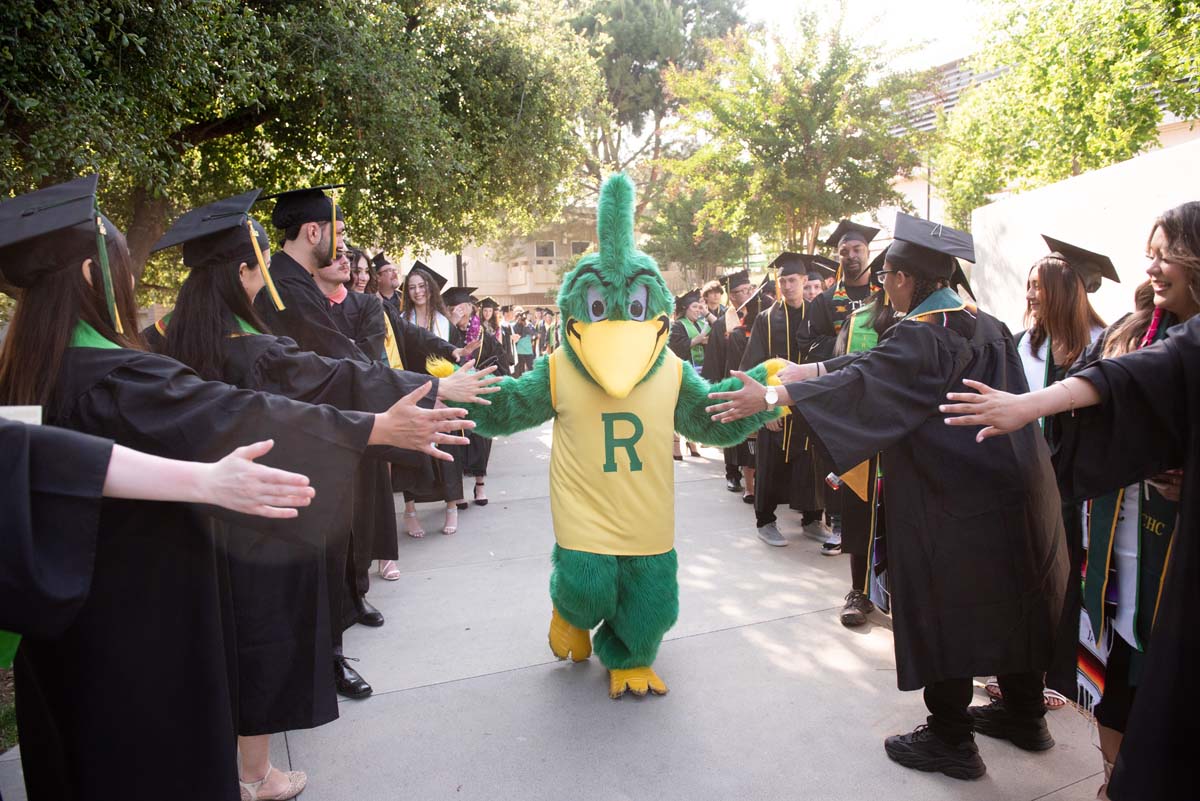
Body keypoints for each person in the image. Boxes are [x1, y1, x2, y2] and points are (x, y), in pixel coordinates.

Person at [0, 176, 470, 801]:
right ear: (92, 276)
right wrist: (376, 426)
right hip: (139, 632)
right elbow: (236, 413)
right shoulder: (117, 379)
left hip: (59, 636)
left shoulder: (26, 380)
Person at [709, 213, 1068, 782]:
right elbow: (875, 365)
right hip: (1014, 488)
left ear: (904, 279)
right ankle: (1026, 715)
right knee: (1009, 596)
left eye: (887, 278)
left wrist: (775, 394)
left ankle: (951, 739)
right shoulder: (983, 322)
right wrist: (812, 369)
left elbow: (874, 378)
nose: (883, 288)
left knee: (948, 602)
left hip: (953, 497)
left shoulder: (923, 332)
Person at [939, 201, 1200, 801]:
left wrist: (1027, 408)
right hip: (1121, 532)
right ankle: (1112, 783)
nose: (1153, 267)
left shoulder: (1136, 341)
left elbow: (1121, 386)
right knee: (1120, 675)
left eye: (1166, 255)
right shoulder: (1135, 331)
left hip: (1165, 545)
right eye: (1150, 255)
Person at [1007, 238, 1114, 711]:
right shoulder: (1025, 343)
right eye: (1028, 285)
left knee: (1066, 577)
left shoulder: (1102, 345)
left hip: (1076, 487)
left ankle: (1057, 675)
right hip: (1026, 477)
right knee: (1024, 575)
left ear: (1065, 290)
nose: (1030, 295)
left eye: (1039, 286)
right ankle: (1022, 672)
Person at [823, 249, 902, 630]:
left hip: (913, 440)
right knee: (860, 512)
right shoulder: (861, 319)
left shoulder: (937, 322)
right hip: (867, 433)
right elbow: (846, 373)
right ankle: (858, 590)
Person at [740, 253, 830, 547]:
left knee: (811, 465)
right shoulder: (766, 320)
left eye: (793, 280)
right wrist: (769, 408)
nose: (788, 286)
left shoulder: (817, 317)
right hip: (775, 408)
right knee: (771, 463)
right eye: (783, 281)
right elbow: (754, 368)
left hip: (808, 406)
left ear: (805, 281)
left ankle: (812, 519)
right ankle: (765, 521)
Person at [703, 269, 756, 492]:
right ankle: (732, 473)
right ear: (731, 296)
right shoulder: (722, 323)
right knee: (732, 432)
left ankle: (753, 476)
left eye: (747, 290)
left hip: (754, 382)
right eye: (737, 292)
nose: (743, 295)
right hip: (730, 383)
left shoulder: (759, 316)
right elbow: (714, 359)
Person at [669, 289, 709, 459]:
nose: (698, 310)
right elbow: (675, 348)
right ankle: (675, 443)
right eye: (695, 306)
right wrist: (697, 340)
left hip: (699, 373)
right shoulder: (678, 325)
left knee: (694, 407)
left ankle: (691, 440)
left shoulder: (701, 325)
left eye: (700, 307)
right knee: (678, 407)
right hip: (682, 373)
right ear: (685, 308)